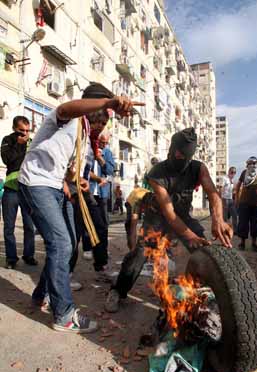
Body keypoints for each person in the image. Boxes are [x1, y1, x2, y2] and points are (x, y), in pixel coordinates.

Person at [18, 82, 142, 333]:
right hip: (36, 184)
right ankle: (63, 315)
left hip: (56, 186)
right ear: (96, 107)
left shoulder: (83, 133)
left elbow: (62, 162)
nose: (105, 124)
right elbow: (66, 107)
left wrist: (74, 179)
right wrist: (109, 102)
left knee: (69, 243)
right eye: (105, 118)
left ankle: (41, 294)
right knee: (61, 244)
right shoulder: (68, 117)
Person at [105, 128, 233, 313]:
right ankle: (118, 290)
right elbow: (169, 214)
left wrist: (218, 219)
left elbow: (213, 194)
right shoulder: (158, 172)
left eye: (184, 155)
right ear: (171, 148)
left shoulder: (198, 168)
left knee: (202, 250)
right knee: (139, 255)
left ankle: (197, 292)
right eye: (177, 152)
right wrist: (189, 236)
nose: (179, 156)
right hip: (157, 220)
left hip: (183, 217)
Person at [1, 116, 37, 269]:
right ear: (14, 129)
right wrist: (18, 145)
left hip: (28, 190)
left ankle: (29, 255)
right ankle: (11, 258)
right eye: (21, 131)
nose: (24, 134)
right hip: (11, 189)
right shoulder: (8, 140)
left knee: (30, 226)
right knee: (9, 227)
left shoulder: (32, 143)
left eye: (27, 131)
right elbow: (8, 160)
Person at [82, 127, 115, 272]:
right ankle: (87, 248)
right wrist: (96, 177)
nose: (104, 145)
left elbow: (110, 170)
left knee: (102, 227)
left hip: (101, 194)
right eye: (101, 142)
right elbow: (81, 170)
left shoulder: (107, 152)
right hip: (85, 192)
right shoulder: (86, 147)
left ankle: (101, 261)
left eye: (106, 143)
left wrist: (100, 157)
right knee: (85, 224)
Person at [235, 157, 257, 252]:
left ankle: (254, 243)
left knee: (255, 224)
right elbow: (237, 186)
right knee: (243, 223)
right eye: (251, 163)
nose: (253, 165)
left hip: (256, 204)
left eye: (255, 163)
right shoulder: (244, 173)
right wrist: (237, 199)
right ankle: (242, 243)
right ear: (247, 164)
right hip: (244, 203)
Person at [219, 166, 238, 234]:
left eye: (234, 172)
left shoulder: (232, 180)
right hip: (224, 199)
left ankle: (235, 231)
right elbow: (220, 188)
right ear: (229, 171)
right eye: (232, 172)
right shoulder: (224, 178)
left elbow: (233, 190)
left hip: (231, 200)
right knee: (225, 216)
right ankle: (225, 230)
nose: (233, 174)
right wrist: (220, 199)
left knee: (235, 215)